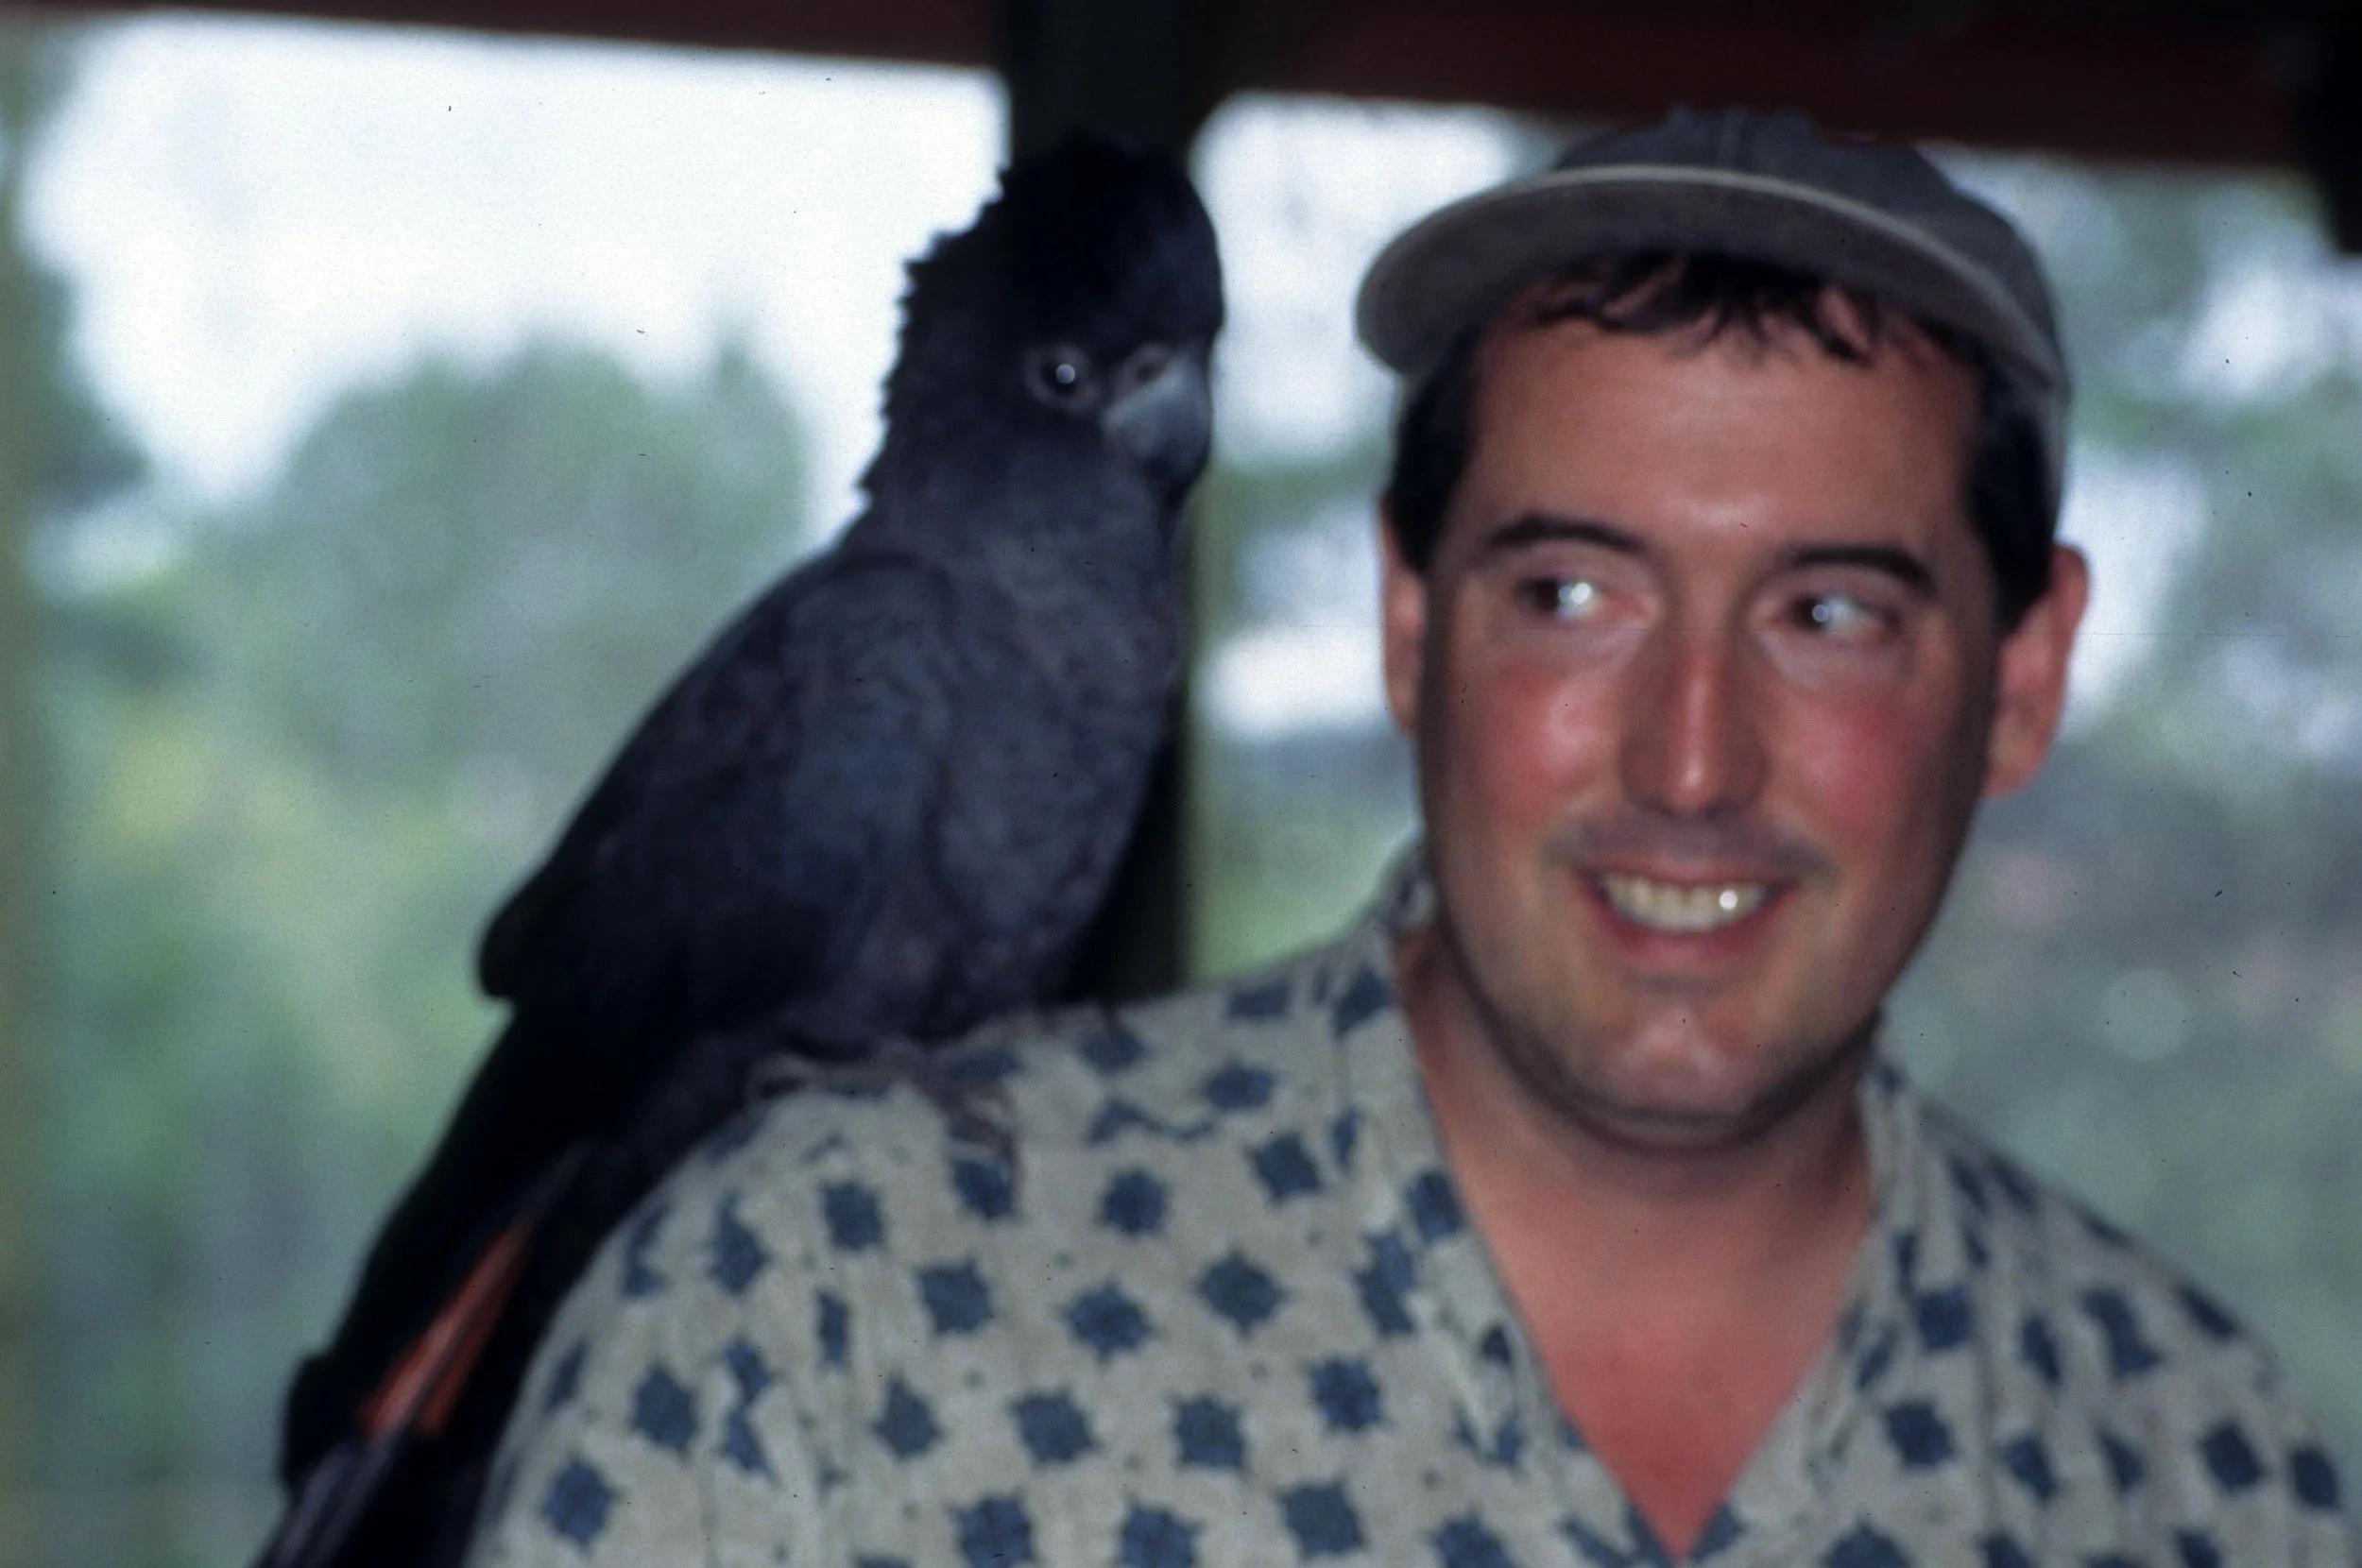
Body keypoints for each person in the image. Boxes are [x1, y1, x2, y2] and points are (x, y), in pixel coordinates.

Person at [464, 110, 2358, 1568]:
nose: (1686, 758)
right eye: (1566, 593)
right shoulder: (811, 1308)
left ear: (2022, 681)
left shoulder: (2203, 1466)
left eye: (1823, 614)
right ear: (1404, 627)